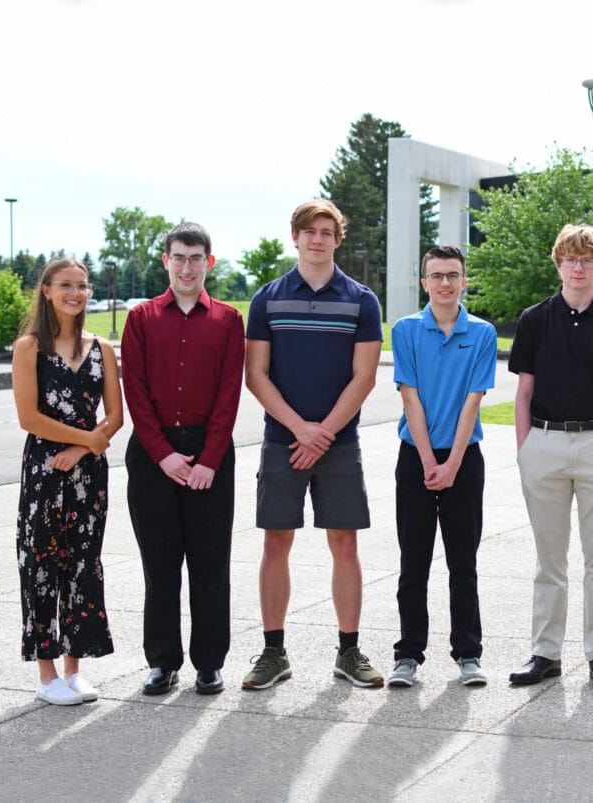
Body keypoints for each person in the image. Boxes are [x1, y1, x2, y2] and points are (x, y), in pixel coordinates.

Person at [243, 199, 383, 690]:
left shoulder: (362, 300)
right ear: (295, 237)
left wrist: (322, 435)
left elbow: (364, 378)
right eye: (309, 231)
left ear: (337, 239)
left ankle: (349, 651)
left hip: (340, 444)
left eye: (327, 231)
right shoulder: (267, 299)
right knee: (275, 541)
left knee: (344, 543)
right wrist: (301, 429)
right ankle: (273, 652)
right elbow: (255, 376)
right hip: (283, 440)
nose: (317, 239)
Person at [507, 223, 593, 689]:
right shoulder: (533, 320)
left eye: (587, 259)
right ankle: (545, 653)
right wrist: (525, 450)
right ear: (559, 263)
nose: (578, 266)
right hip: (543, 444)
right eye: (570, 258)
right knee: (550, 560)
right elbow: (523, 392)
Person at [121, 222, 245, 696]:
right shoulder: (142, 318)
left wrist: (209, 459)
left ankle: (209, 662)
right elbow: (135, 390)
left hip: (211, 455)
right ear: (166, 262)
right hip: (154, 456)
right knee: (160, 564)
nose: (187, 266)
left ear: (208, 263)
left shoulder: (229, 320)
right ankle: (162, 662)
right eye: (179, 257)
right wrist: (164, 456)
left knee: (211, 565)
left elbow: (229, 393)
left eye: (196, 258)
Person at [12, 258, 122, 706]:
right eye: (65, 286)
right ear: (46, 290)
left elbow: (115, 417)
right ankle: (46, 675)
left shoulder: (102, 349)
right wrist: (87, 438)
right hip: (45, 470)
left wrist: (84, 448)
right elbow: (28, 418)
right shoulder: (29, 347)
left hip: (87, 475)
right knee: (41, 566)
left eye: (82, 285)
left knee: (83, 565)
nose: (75, 293)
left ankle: (75, 670)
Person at [386, 245, 498, 688]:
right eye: (437, 275)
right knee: (413, 561)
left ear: (464, 281)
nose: (445, 283)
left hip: (464, 460)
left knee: (462, 562)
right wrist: (430, 460)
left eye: (453, 275)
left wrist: (451, 463)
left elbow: (473, 400)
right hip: (416, 457)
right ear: (424, 282)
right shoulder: (407, 330)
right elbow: (409, 396)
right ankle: (408, 654)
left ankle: (468, 654)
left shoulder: (482, 333)